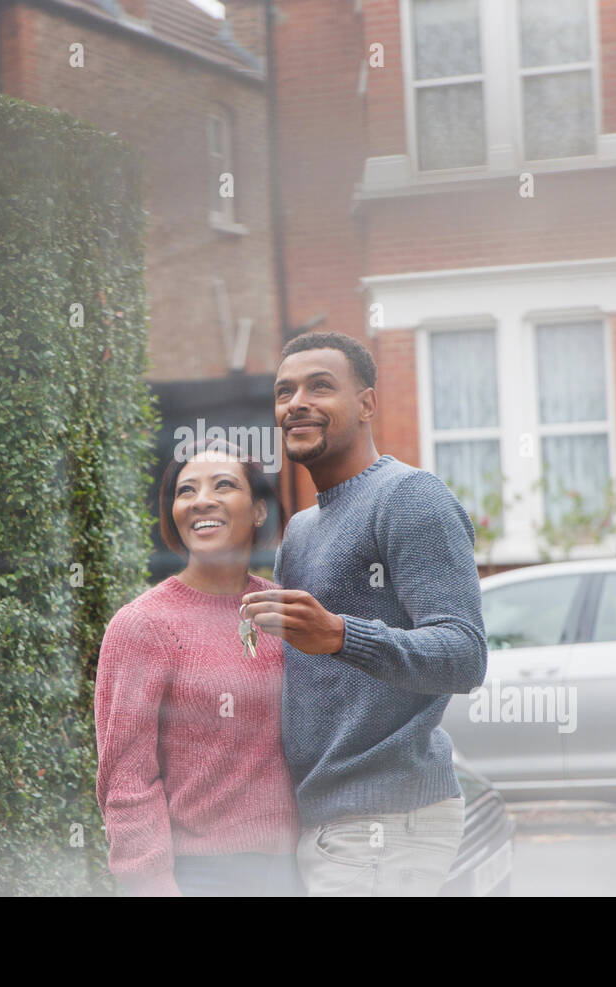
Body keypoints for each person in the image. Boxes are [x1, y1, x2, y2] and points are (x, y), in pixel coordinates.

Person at [240, 331, 488, 896]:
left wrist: (339, 634)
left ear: (367, 404)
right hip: (327, 822)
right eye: (285, 392)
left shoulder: (409, 497)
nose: (296, 402)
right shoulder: (301, 530)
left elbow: (464, 655)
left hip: (384, 824)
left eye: (320, 387)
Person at [94, 438, 303, 896]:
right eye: (186, 491)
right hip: (200, 876)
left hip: (296, 870)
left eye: (223, 485)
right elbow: (126, 781)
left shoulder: (285, 611)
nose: (201, 500)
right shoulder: (143, 625)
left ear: (259, 510)